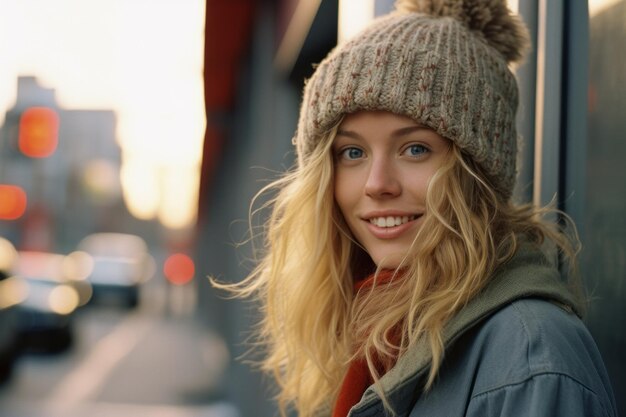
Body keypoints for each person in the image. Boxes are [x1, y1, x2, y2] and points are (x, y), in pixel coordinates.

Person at [214, 1, 618, 416]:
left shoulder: (532, 361)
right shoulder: (367, 332)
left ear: (476, 171)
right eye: (352, 152)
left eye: (415, 149)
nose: (377, 184)